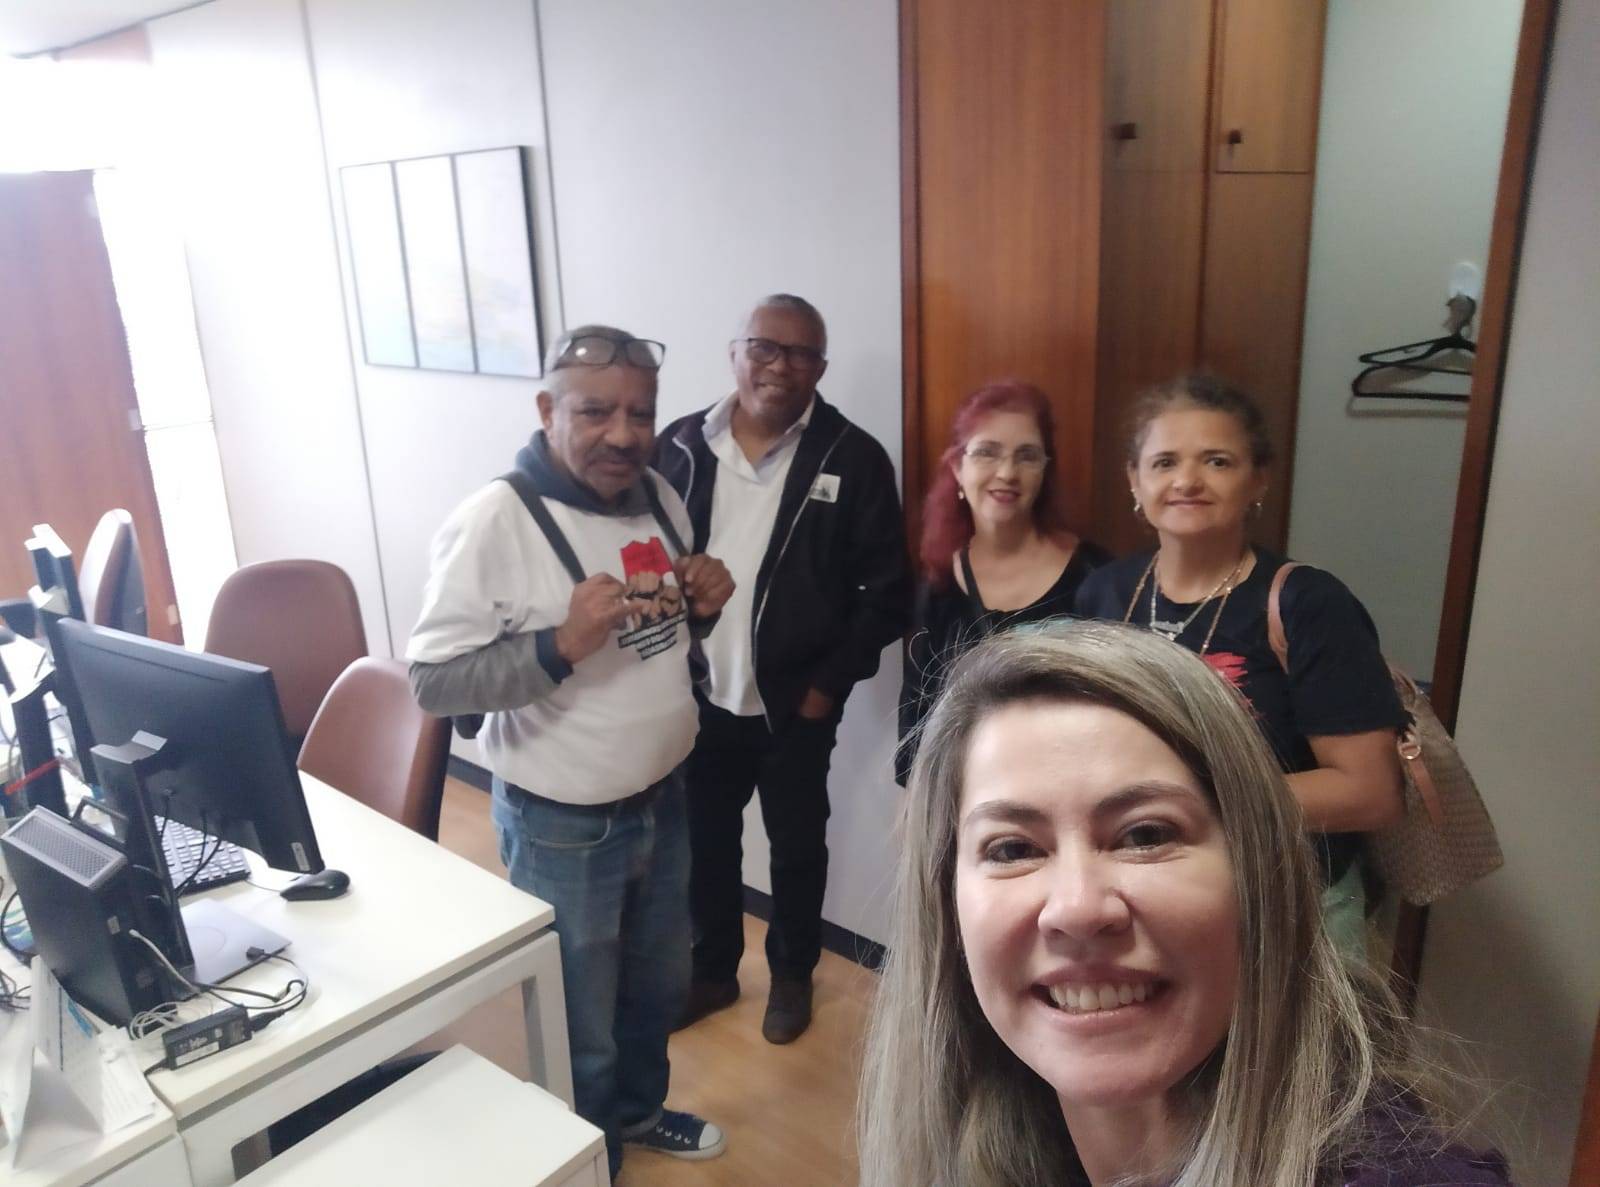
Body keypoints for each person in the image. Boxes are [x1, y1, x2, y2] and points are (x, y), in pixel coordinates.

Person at [859, 622, 1512, 1187]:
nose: (1077, 908)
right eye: (1011, 848)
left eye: (1146, 835)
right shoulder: (981, 1134)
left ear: (1259, 878)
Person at [406, 325, 734, 1178]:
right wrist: (558, 645)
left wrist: (702, 607)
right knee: (578, 1017)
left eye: (640, 413)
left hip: (666, 796)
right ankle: (592, 1156)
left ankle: (638, 1113)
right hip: (563, 824)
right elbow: (433, 683)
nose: (623, 434)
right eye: (595, 412)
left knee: (656, 990)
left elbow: (659, 639)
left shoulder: (660, 494)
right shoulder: (493, 520)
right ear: (547, 408)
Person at [1074, 374, 1406, 954]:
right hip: (1145, 899)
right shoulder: (1104, 593)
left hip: (1292, 908)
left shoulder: (1308, 603)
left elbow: (1369, 792)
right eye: (1164, 462)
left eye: (1217, 461)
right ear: (1135, 479)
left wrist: (1187, 802)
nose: (1187, 481)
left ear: (1258, 479)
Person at [653, 294, 909, 1043]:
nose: (779, 366)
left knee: (797, 848)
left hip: (794, 707)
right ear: (735, 353)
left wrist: (825, 689)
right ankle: (713, 969)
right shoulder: (680, 445)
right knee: (705, 843)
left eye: (800, 353)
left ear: (820, 368)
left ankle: (793, 974)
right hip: (696, 698)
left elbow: (887, 594)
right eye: (764, 347)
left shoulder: (852, 457)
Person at [898, 379, 1109, 783]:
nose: (1007, 472)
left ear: (1044, 471)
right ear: (957, 468)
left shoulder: (1096, 578)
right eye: (987, 452)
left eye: (1026, 456)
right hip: (963, 794)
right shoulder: (939, 581)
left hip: (1068, 788)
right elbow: (916, 722)